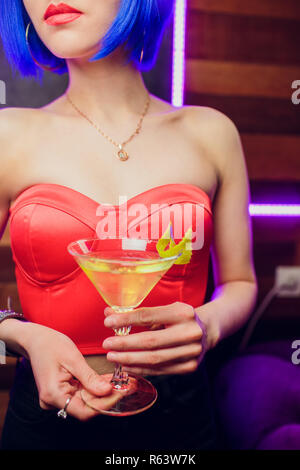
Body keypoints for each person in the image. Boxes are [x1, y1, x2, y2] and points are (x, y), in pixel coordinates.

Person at [0, 0, 257, 450]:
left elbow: (240, 281)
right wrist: (20, 334)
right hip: (48, 413)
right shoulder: (9, 135)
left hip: (182, 417)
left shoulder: (211, 132)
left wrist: (208, 325)